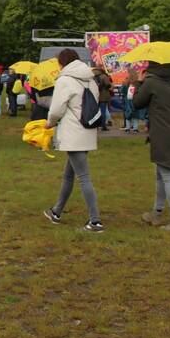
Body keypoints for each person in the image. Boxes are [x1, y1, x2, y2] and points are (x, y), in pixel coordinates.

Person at [42, 49, 104, 233]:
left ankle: (95, 221)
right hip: (86, 131)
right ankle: (56, 211)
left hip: (73, 133)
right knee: (69, 175)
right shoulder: (90, 79)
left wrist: (49, 123)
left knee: (83, 178)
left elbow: (56, 110)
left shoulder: (65, 80)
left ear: (62, 63)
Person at [133, 64, 170, 232]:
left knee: (168, 177)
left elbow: (137, 102)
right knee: (161, 175)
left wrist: (139, 82)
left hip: (163, 133)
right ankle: (156, 214)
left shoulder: (151, 82)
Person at [93, 65, 113, 130]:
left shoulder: (92, 76)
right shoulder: (104, 76)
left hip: (95, 95)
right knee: (103, 111)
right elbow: (108, 84)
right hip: (103, 95)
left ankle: (96, 125)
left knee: (96, 111)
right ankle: (103, 126)